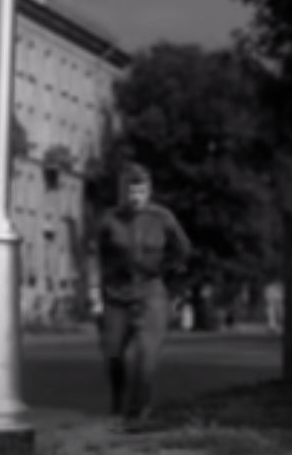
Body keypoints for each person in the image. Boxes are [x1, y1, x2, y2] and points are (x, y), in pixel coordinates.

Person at [88, 163, 193, 433]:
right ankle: (118, 399)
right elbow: (94, 256)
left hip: (151, 291)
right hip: (116, 294)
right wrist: (94, 292)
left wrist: (171, 279)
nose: (135, 197)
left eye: (141, 191)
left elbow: (183, 250)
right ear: (122, 192)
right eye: (131, 191)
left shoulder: (163, 218)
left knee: (147, 353)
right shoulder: (109, 220)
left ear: (149, 191)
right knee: (113, 352)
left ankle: (137, 412)